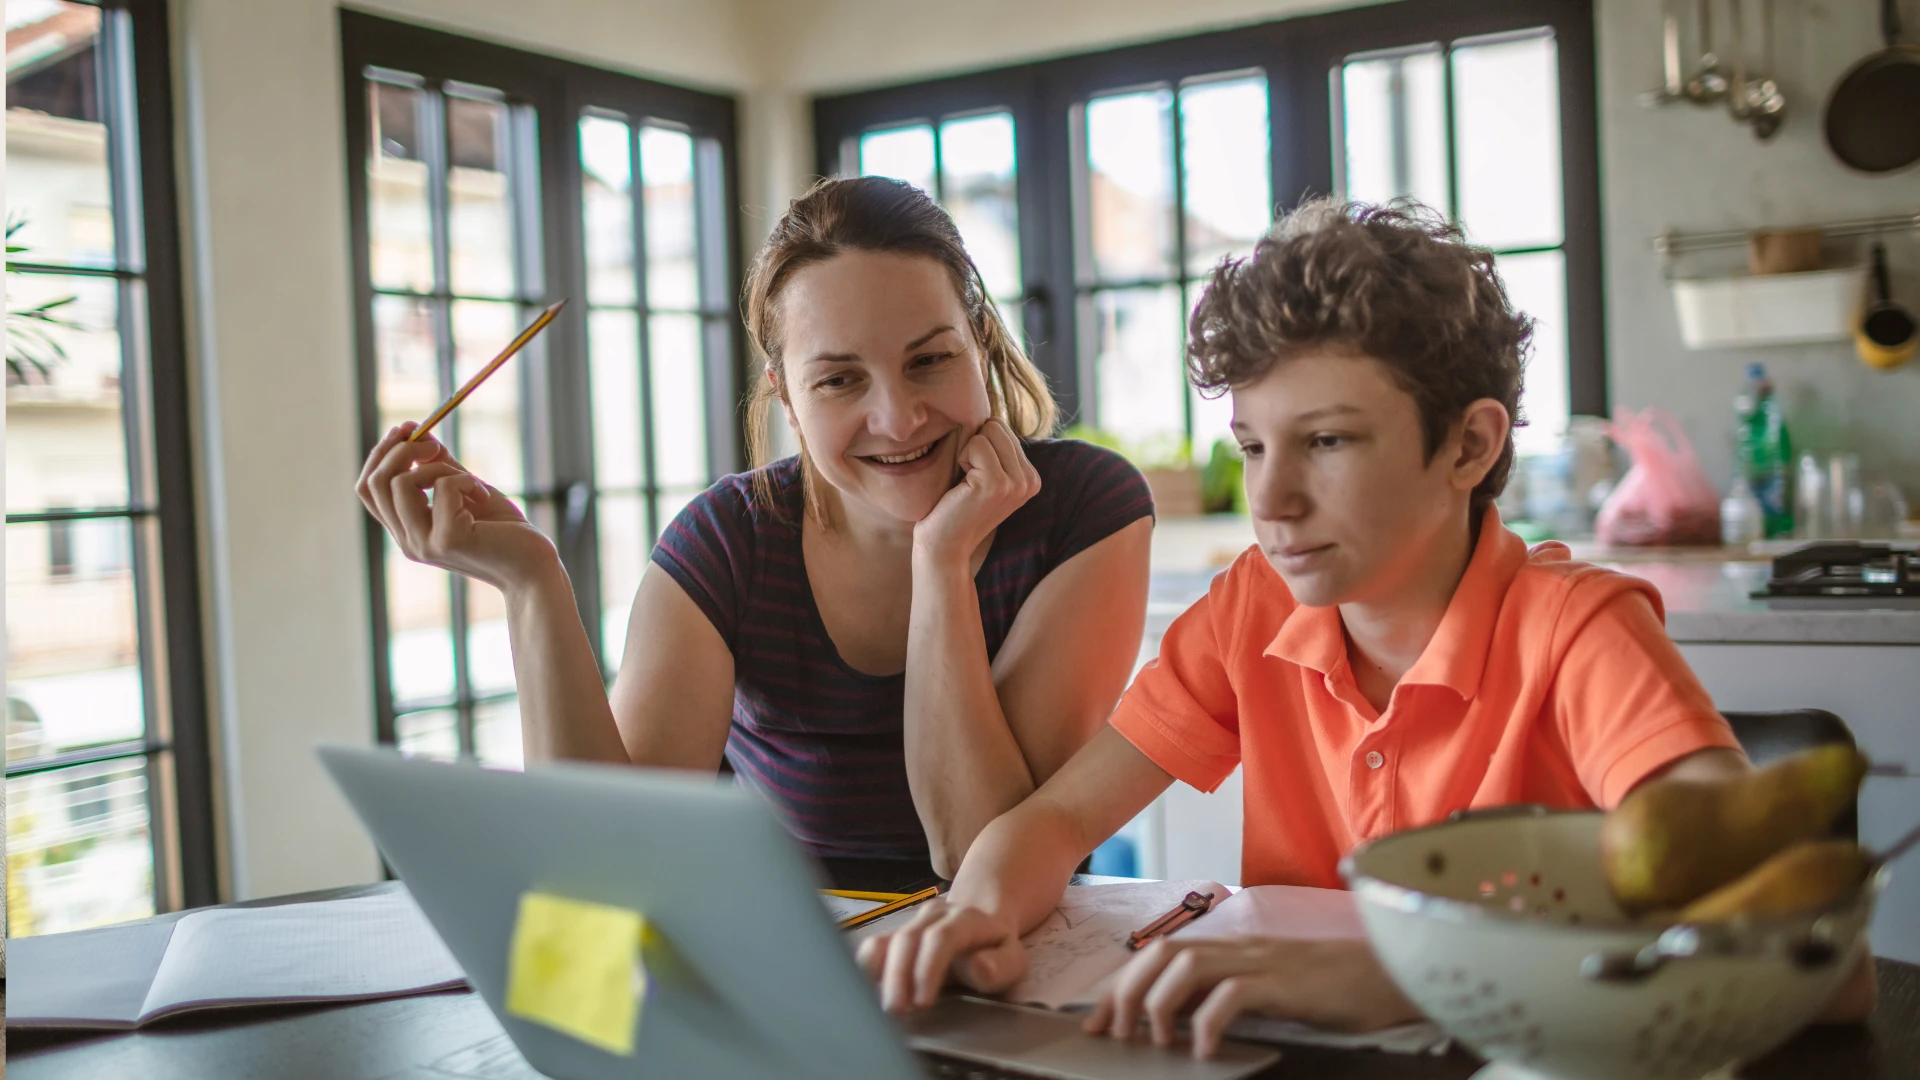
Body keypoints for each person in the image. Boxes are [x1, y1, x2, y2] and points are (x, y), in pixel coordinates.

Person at [856, 199, 1878, 1054]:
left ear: (1470, 445)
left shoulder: (1578, 632)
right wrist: (982, 909)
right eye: (1253, 447)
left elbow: (1817, 967)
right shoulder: (1250, 608)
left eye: (1329, 441)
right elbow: (1057, 822)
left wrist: (1417, 974)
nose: (1275, 500)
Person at [355, 176, 1155, 883]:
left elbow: (974, 851)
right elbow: (602, 863)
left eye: (929, 361)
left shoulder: (1087, 510)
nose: (898, 417)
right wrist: (531, 582)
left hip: (1021, 972)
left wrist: (939, 563)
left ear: (980, 344)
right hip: (790, 987)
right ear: (783, 393)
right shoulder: (729, 543)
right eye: (840, 379)